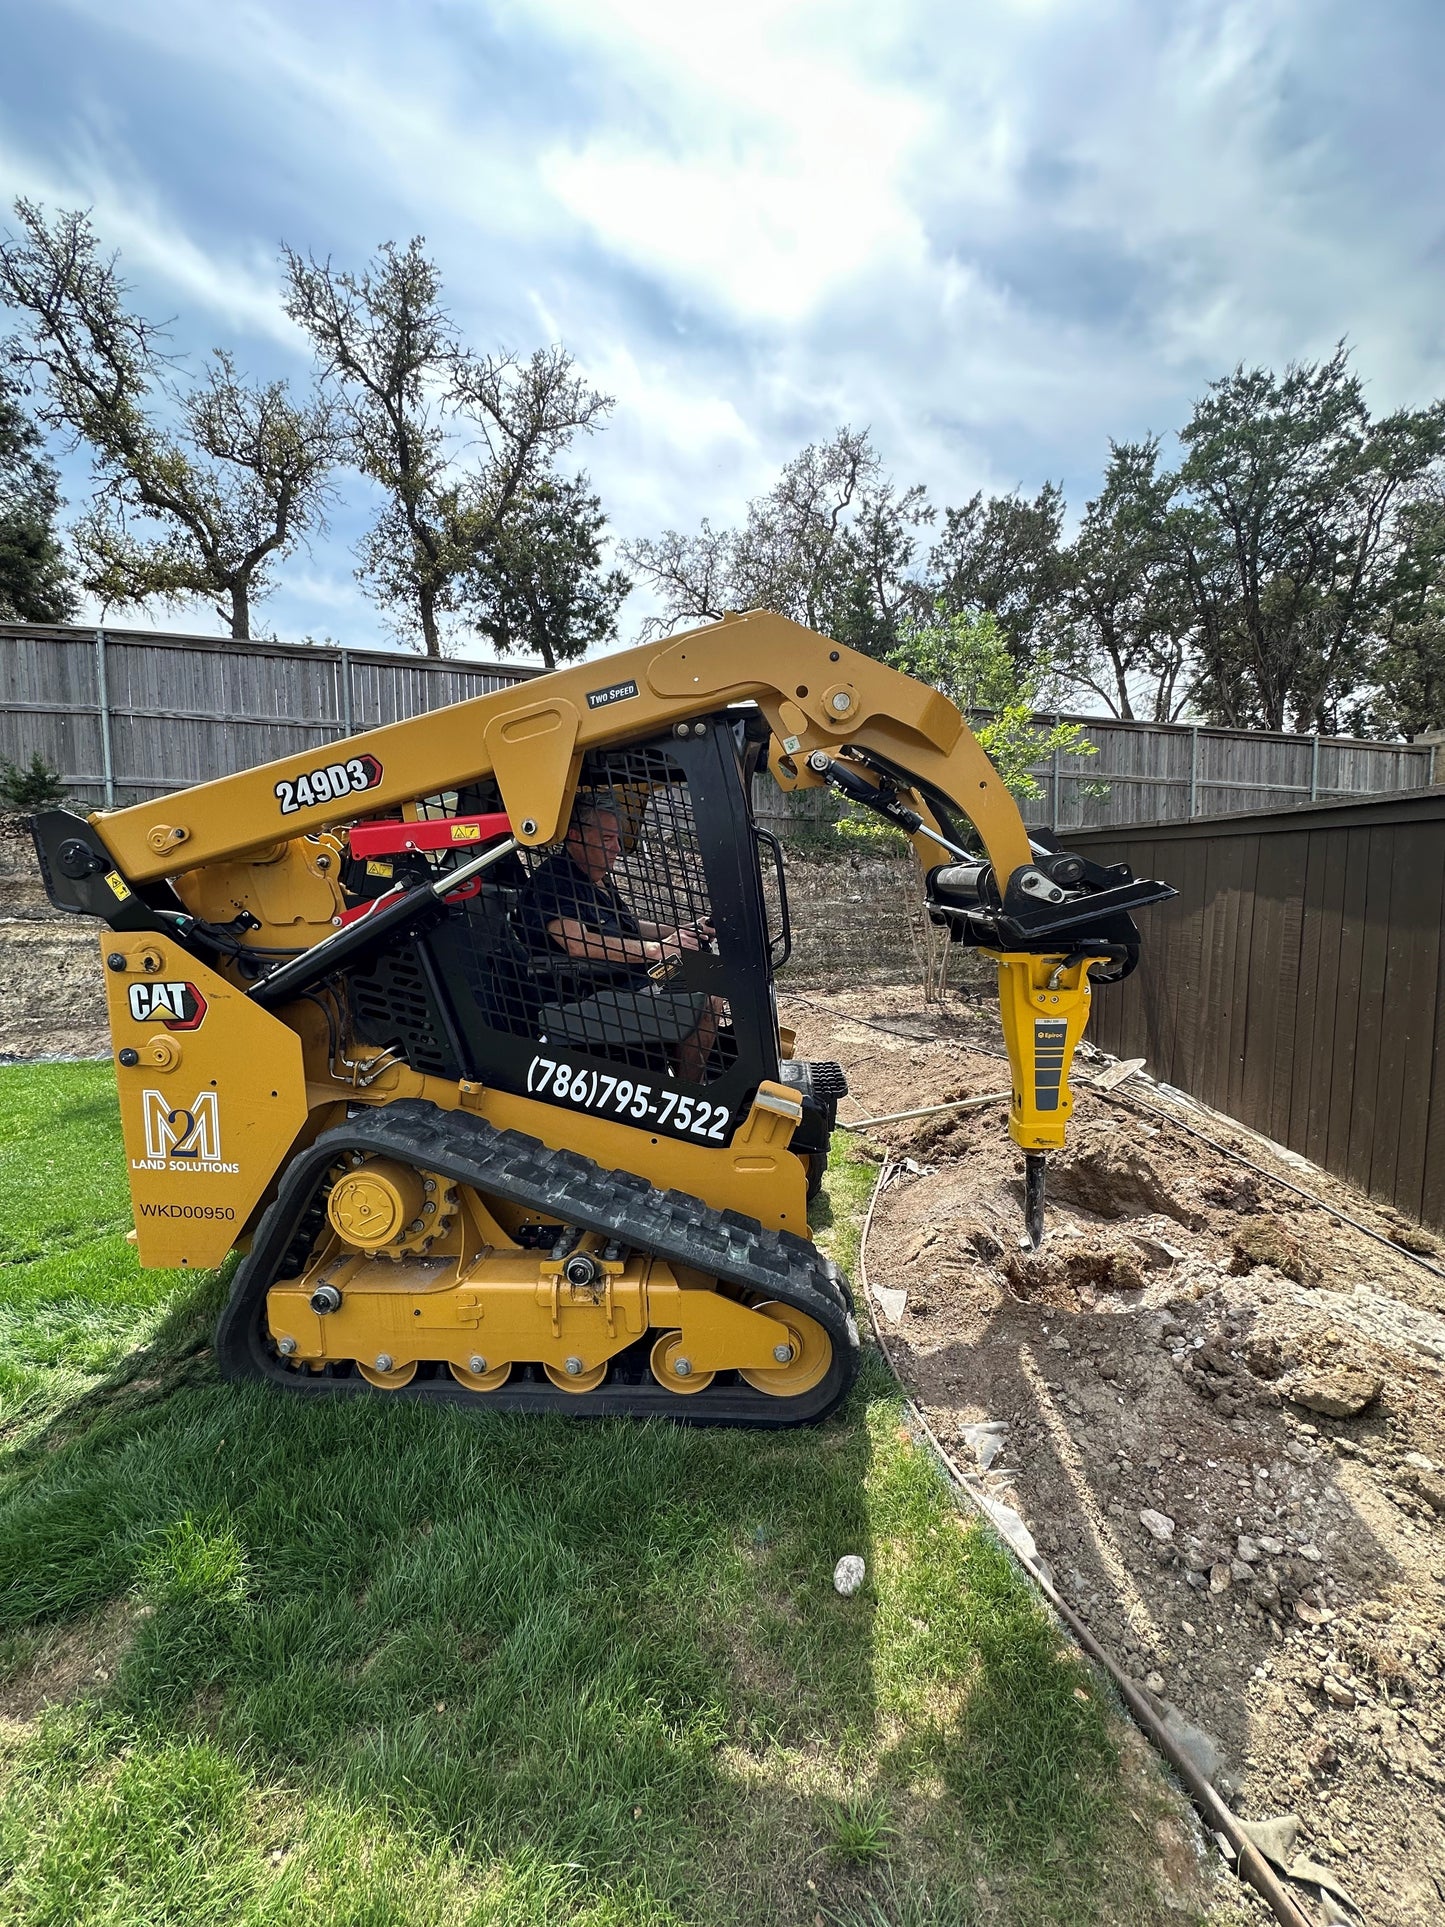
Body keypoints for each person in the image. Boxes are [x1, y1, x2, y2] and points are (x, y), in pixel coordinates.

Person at [519, 796, 725, 1082]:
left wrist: (684, 929)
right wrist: (657, 950)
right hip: (591, 991)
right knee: (708, 997)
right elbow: (577, 943)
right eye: (607, 838)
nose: (617, 848)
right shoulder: (555, 883)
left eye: (617, 838)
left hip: (634, 978)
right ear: (576, 836)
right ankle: (687, 1093)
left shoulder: (596, 879)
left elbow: (630, 928)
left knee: (713, 975)